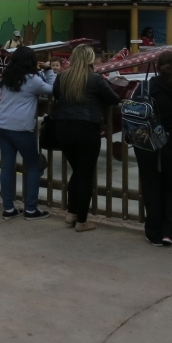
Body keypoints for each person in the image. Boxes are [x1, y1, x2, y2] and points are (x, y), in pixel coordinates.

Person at [50, 43, 119, 231]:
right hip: (87, 128)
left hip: (63, 128)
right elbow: (113, 99)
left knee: (78, 172)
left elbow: (56, 95)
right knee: (85, 174)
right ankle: (81, 220)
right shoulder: (96, 79)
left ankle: (71, 213)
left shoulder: (62, 77)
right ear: (90, 59)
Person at [135, 51, 172, 246]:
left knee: (151, 186)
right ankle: (169, 231)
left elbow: (135, 109)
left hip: (149, 143)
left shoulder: (147, 87)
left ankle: (154, 231)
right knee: (169, 185)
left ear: (157, 66)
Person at [0, 47, 56, 220]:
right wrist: (49, 70)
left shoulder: (6, 77)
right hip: (21, 128)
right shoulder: (32, 80)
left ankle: (8, 208)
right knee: (34, 165)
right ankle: (30, 208)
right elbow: (52, 89)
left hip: (2, 124)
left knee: (7, 166)